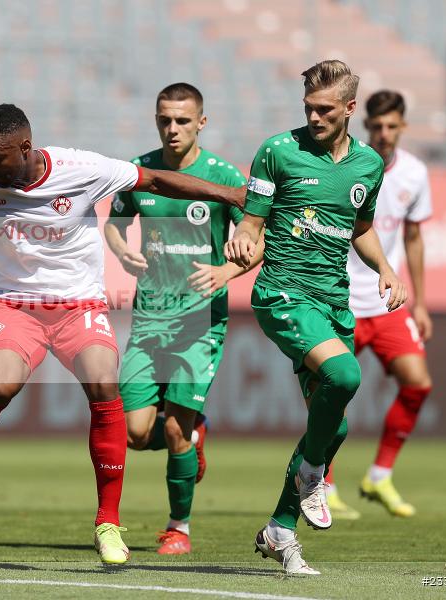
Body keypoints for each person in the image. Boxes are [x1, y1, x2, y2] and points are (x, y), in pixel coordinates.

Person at [0, 103, 245, 564]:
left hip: (79, 307)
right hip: (15, 305)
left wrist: (228, 195)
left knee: (103, 386)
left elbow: (155, 180)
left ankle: (107, 523)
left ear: (26, 148)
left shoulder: (82, 168)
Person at [225, 60, 407, 575]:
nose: (314, 116)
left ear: (350, 109)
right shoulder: (278, 151)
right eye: (308, 107)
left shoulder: (369, 165)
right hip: (283, 293)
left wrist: (387, 269)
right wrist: (243, 234)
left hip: (333, 299)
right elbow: (254, 218)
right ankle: (312, 474)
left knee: (337, 427)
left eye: (325, 109)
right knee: (345, 375)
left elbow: (361, 227)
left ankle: (281, 528)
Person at [105, 83, 263, 555]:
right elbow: (113, 221)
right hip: (149, 319)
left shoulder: (223, 177)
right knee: (134, 433)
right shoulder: (141, 171)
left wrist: (225, 271)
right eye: (164, 119)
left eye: (181, 120)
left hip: (200, 322)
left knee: (174, 426)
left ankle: (179, 527)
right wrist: (122, 249)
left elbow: (257, 241)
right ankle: (195, 434)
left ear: (201, 122)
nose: (171, 128)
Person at [324, 90, 434, 520]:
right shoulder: (350, 166)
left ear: (402, 127)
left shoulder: (415, 174)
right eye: (377, 127)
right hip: (341, 298)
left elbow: (413, 239)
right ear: (365, 125)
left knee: (418, 383)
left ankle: (380, 475)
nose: (384, 134)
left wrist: (421, 304)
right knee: (332, 393)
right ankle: (323, 483)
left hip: (387, 302)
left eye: (392, 126)